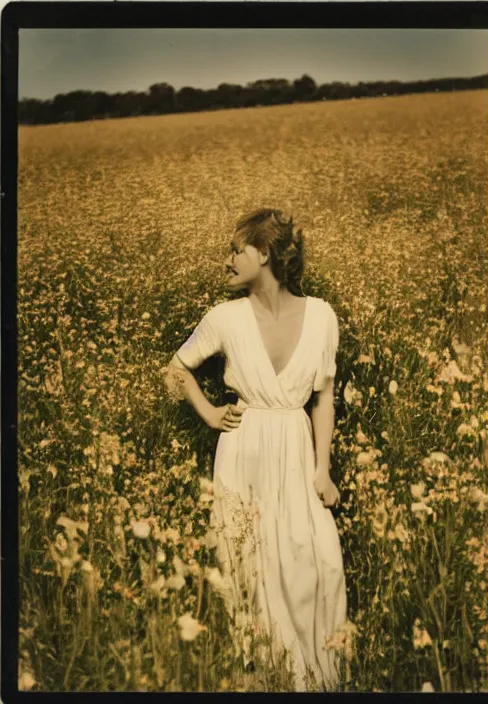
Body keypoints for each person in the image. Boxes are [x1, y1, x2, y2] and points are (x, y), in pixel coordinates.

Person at [163, 208, 347, 691]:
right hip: (242, 451)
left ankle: (316, 678)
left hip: (295, 450)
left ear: (264, 253)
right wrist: (207, 412)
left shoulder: (323, 316)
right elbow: (175, 367)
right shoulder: (225, 318)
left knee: (316, 558)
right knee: (245, 564)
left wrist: (323, 471)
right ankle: (259, 679)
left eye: (235, 249)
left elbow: (323, 398)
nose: (226, 261)